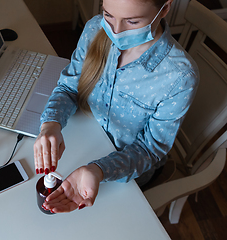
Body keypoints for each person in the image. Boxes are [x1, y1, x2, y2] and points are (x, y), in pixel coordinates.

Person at [33, 0, 199, 213]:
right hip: (84, 137)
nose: (116, 31)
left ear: (164, 9)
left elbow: (150, 149)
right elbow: (69, 87)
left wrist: (98, 170)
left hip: (125, 168)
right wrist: (51, 124)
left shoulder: (179, 77)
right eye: (108, 15)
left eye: (132, 21)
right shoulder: (95, 28)